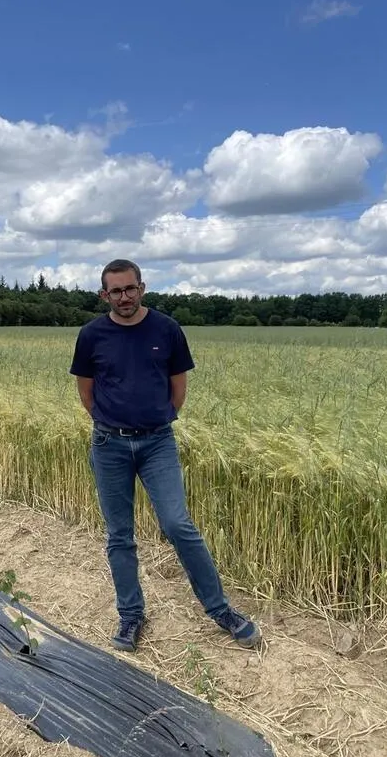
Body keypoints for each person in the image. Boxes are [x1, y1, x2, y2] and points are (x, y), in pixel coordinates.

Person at [69, 258, 261, 652]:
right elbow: (86, 393)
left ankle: (221, 610)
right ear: (104, 295)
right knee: (119, 535)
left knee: (177, 524)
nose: (124, 296)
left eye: (130, 288)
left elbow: (178, 388)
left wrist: (156, 421)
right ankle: (130, 616)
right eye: (116, 291)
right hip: (109, 446)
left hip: (158, 443)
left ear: (142, 288)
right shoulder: (91, 335)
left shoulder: (167, 329)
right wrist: (113, 423)